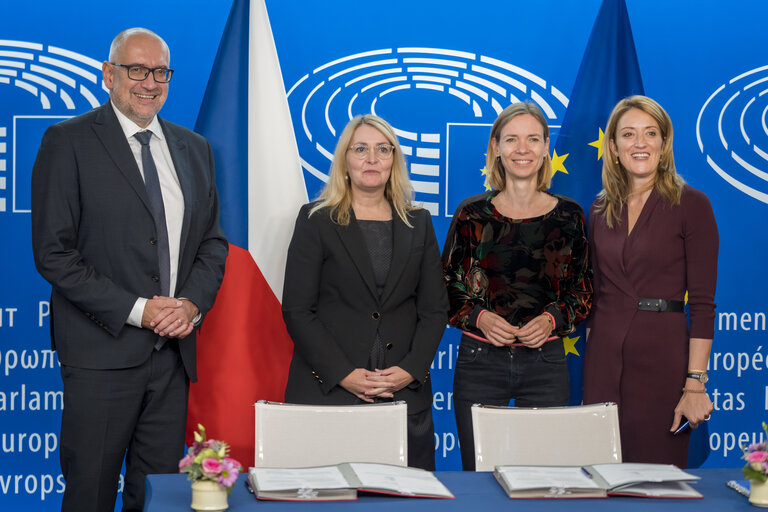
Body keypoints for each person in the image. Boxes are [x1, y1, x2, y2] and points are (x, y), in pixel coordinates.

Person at [30, 28, 228, 512]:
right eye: (136, 70)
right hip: (101, 354)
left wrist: (189, 304)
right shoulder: (68, 141)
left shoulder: (194, 148)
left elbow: (212, 244)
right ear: (109, 75)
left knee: (159, 495)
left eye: (160, 71)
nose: (149, 82)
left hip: (172, 357)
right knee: (90, 493)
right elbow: (54, 253)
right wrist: (141, 310)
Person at [282, 114, 448, 471]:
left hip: (402, 395)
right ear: (345, 160)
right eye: (361, 149)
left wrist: (411, 368)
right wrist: (343, 373)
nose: (372, 158)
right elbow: (298, 310)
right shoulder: (315, 220)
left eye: (382, 149)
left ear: (393, 161)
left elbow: (435, 310)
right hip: (328, 393)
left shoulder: (418, 222)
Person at [442, 102, 592, 470]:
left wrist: (554, 318)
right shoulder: (471, 213)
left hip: (546, 364)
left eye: (532, 139)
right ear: (495, 146)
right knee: (478, 477)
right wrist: (479, 318)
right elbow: (446, 286)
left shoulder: (570, 215)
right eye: (511, 139)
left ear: (545, 149)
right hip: (480, 363)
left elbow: (583, 287)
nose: (522, 149)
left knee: (543, 478)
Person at [582, 95, 718, 468]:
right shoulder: (598, 209)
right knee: (600, 478)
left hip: (662, 360)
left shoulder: (692, 204)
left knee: (657, 485)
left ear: (664, 142)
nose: (639, 143)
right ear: (613, 146)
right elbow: (596, 295)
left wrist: (694, 383)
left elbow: (703, 305)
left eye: (650, 133)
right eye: (628, 134)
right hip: (603, 363)